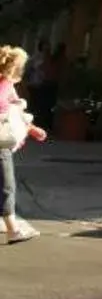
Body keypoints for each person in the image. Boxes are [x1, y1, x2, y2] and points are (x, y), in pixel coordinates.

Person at [1, 45, 47, 245]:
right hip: (1, 142)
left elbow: (14, 116)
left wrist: (31, 128)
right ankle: (13, 230)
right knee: (6, 185)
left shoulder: (7, 86)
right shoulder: (5, 86)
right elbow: (13, 115)